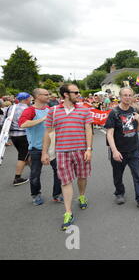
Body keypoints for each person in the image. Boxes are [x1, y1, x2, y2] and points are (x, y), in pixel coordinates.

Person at [42, 84, 93, 231]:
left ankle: (82, 196)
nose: (79, 94)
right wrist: (45, 152)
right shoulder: (53, 111)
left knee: (82, 177)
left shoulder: (84, 109)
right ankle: (68, 212)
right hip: (62, 152)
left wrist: (89, 149)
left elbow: (88, 130)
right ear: (65, 94)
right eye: (75, 92)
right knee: (66, 181)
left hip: (81, 150)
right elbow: (48, 133)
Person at [105, 87, 139, 210]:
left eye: (130, 95)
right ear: (120, 96)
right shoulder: (114, 113)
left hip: (134, 149)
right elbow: (109, 134)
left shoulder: (135, 111)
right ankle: (119, 193)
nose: (127, 97)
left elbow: (138, 129)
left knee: (138, 175)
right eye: (125, 95)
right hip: (119, 151)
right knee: (118, 175)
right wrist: (114, 151)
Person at [19, 88, 62, 205]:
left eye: (49, 94)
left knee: (59, 171)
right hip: (36, 148)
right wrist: (43, 119)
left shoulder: (50, 109)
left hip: (52, 148)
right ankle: (36, 195)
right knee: (35, 175)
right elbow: (23, 124)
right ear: (37, 96)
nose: (49, 96)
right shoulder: (30, 111)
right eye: (46, 94)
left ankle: (57, 194)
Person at [5, 92, 32, 186]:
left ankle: (34, 170)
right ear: (26, 99)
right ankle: (17, 178)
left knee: (25, 154)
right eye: (30, 98)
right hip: (23, 134)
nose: (30, 100)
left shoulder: (11, 107)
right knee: (22, 156)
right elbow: (30, 122)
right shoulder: (27, 109)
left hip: (13, 135)